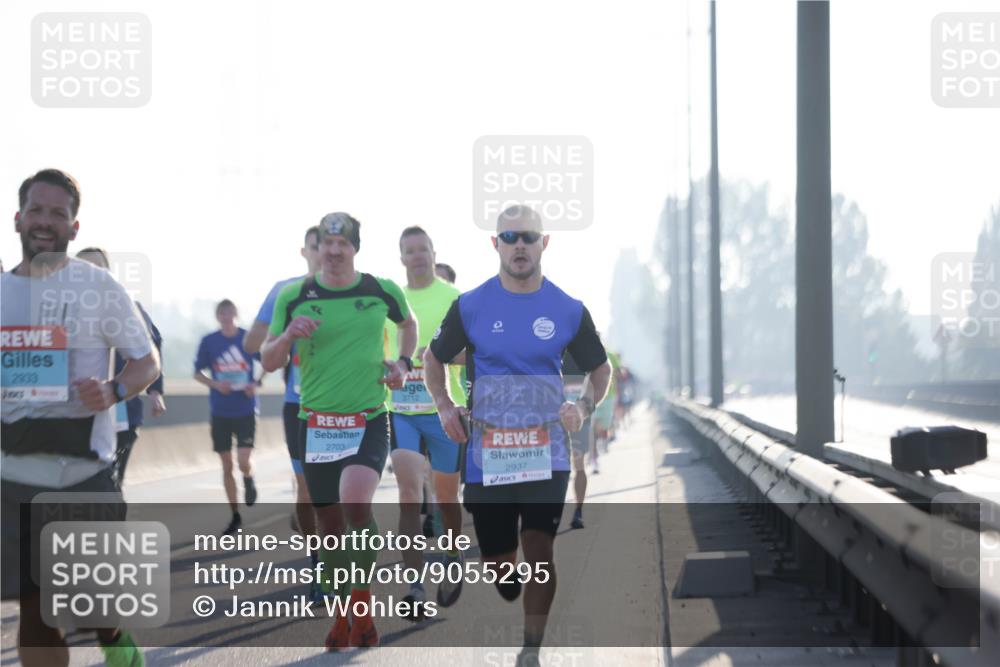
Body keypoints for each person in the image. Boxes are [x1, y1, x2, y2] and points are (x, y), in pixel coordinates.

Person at [424, 204, 611, 666]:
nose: (519, 245)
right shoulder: (469, 306)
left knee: (540, 549)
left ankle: (531, 649)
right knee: (502, 567)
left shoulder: (567, 309)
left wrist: (583, 407)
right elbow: (432, 360)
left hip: (546, 449)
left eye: (528, 237)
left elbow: (600, 370)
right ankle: (502, 572)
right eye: (510, 238)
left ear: (544, 243)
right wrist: (445, 406)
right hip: (490, 454)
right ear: (496, 245)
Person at [2, 169, 159, 667]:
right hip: (13, 477)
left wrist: (114, 390)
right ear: (17, 219)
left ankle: (115, 637)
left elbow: (147, 362)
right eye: (37, 211)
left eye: (58, 214)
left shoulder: (99, 287)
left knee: (92, 606)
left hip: (83, 473)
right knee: (37, 609)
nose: (45, 222)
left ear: (73, 227)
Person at [261, 212, 418, 651]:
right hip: (316, 424)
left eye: (341, 245)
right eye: (325, 245)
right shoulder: (294, 297)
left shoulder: (380, 290)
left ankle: (363, 607)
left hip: (367, 418)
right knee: (329, 529)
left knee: (354, 501)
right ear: (315, 249)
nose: (332, 253)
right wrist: (289, 334)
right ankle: (342, 613)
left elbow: (408, 324)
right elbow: (268, 361)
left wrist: (403, 364)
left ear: (354, 249)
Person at [388, 226, 466, 617]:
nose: (417, 256)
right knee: (409, 494)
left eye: (423, 249)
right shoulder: (390, 301)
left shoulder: (454, 298)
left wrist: (436, 357)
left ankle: (453, 554)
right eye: (409, 251)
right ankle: (415, 587)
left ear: (434, 254)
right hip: (400, 410)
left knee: (447, 497)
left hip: (445, 411)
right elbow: (377, 352)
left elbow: (473, 354)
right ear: (401, 258)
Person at [242, 225, 323, 598]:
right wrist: (287, 334)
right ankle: (318, 560)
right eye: (315, 247)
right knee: (306, 492)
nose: (324, 253)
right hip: (300, 404)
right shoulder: (286, 291)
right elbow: (252, 342)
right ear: (304, 252)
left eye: (332, 245)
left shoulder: (362, 291)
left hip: (351, 404)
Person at [76, 247, 166, 485]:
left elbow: (151, 350)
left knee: (112, 483)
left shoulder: (127, 307)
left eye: (97, 269)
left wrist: (155, 391)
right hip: (81, 413)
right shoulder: (62, 311)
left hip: (122, 409)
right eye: (83, 270)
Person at [194, 299, 260, 536]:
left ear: (236, 314)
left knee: (243, 459)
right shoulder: (209, 342)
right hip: (220, 410)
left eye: (230, 312)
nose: (226, 317)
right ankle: (235, 515)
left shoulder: (247, 338)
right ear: (217, 316)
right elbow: (197, 372)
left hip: (245, 409)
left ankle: (249, 477)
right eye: (222, 313)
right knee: (226, 465)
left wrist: (256, 383)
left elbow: (269, 362)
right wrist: (214, 383)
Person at [561, 350, 593, 529]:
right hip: (553, 418)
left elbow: (598, 376)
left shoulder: (581, 347)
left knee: (579, 465)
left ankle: (578, 511)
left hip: (578, 417)